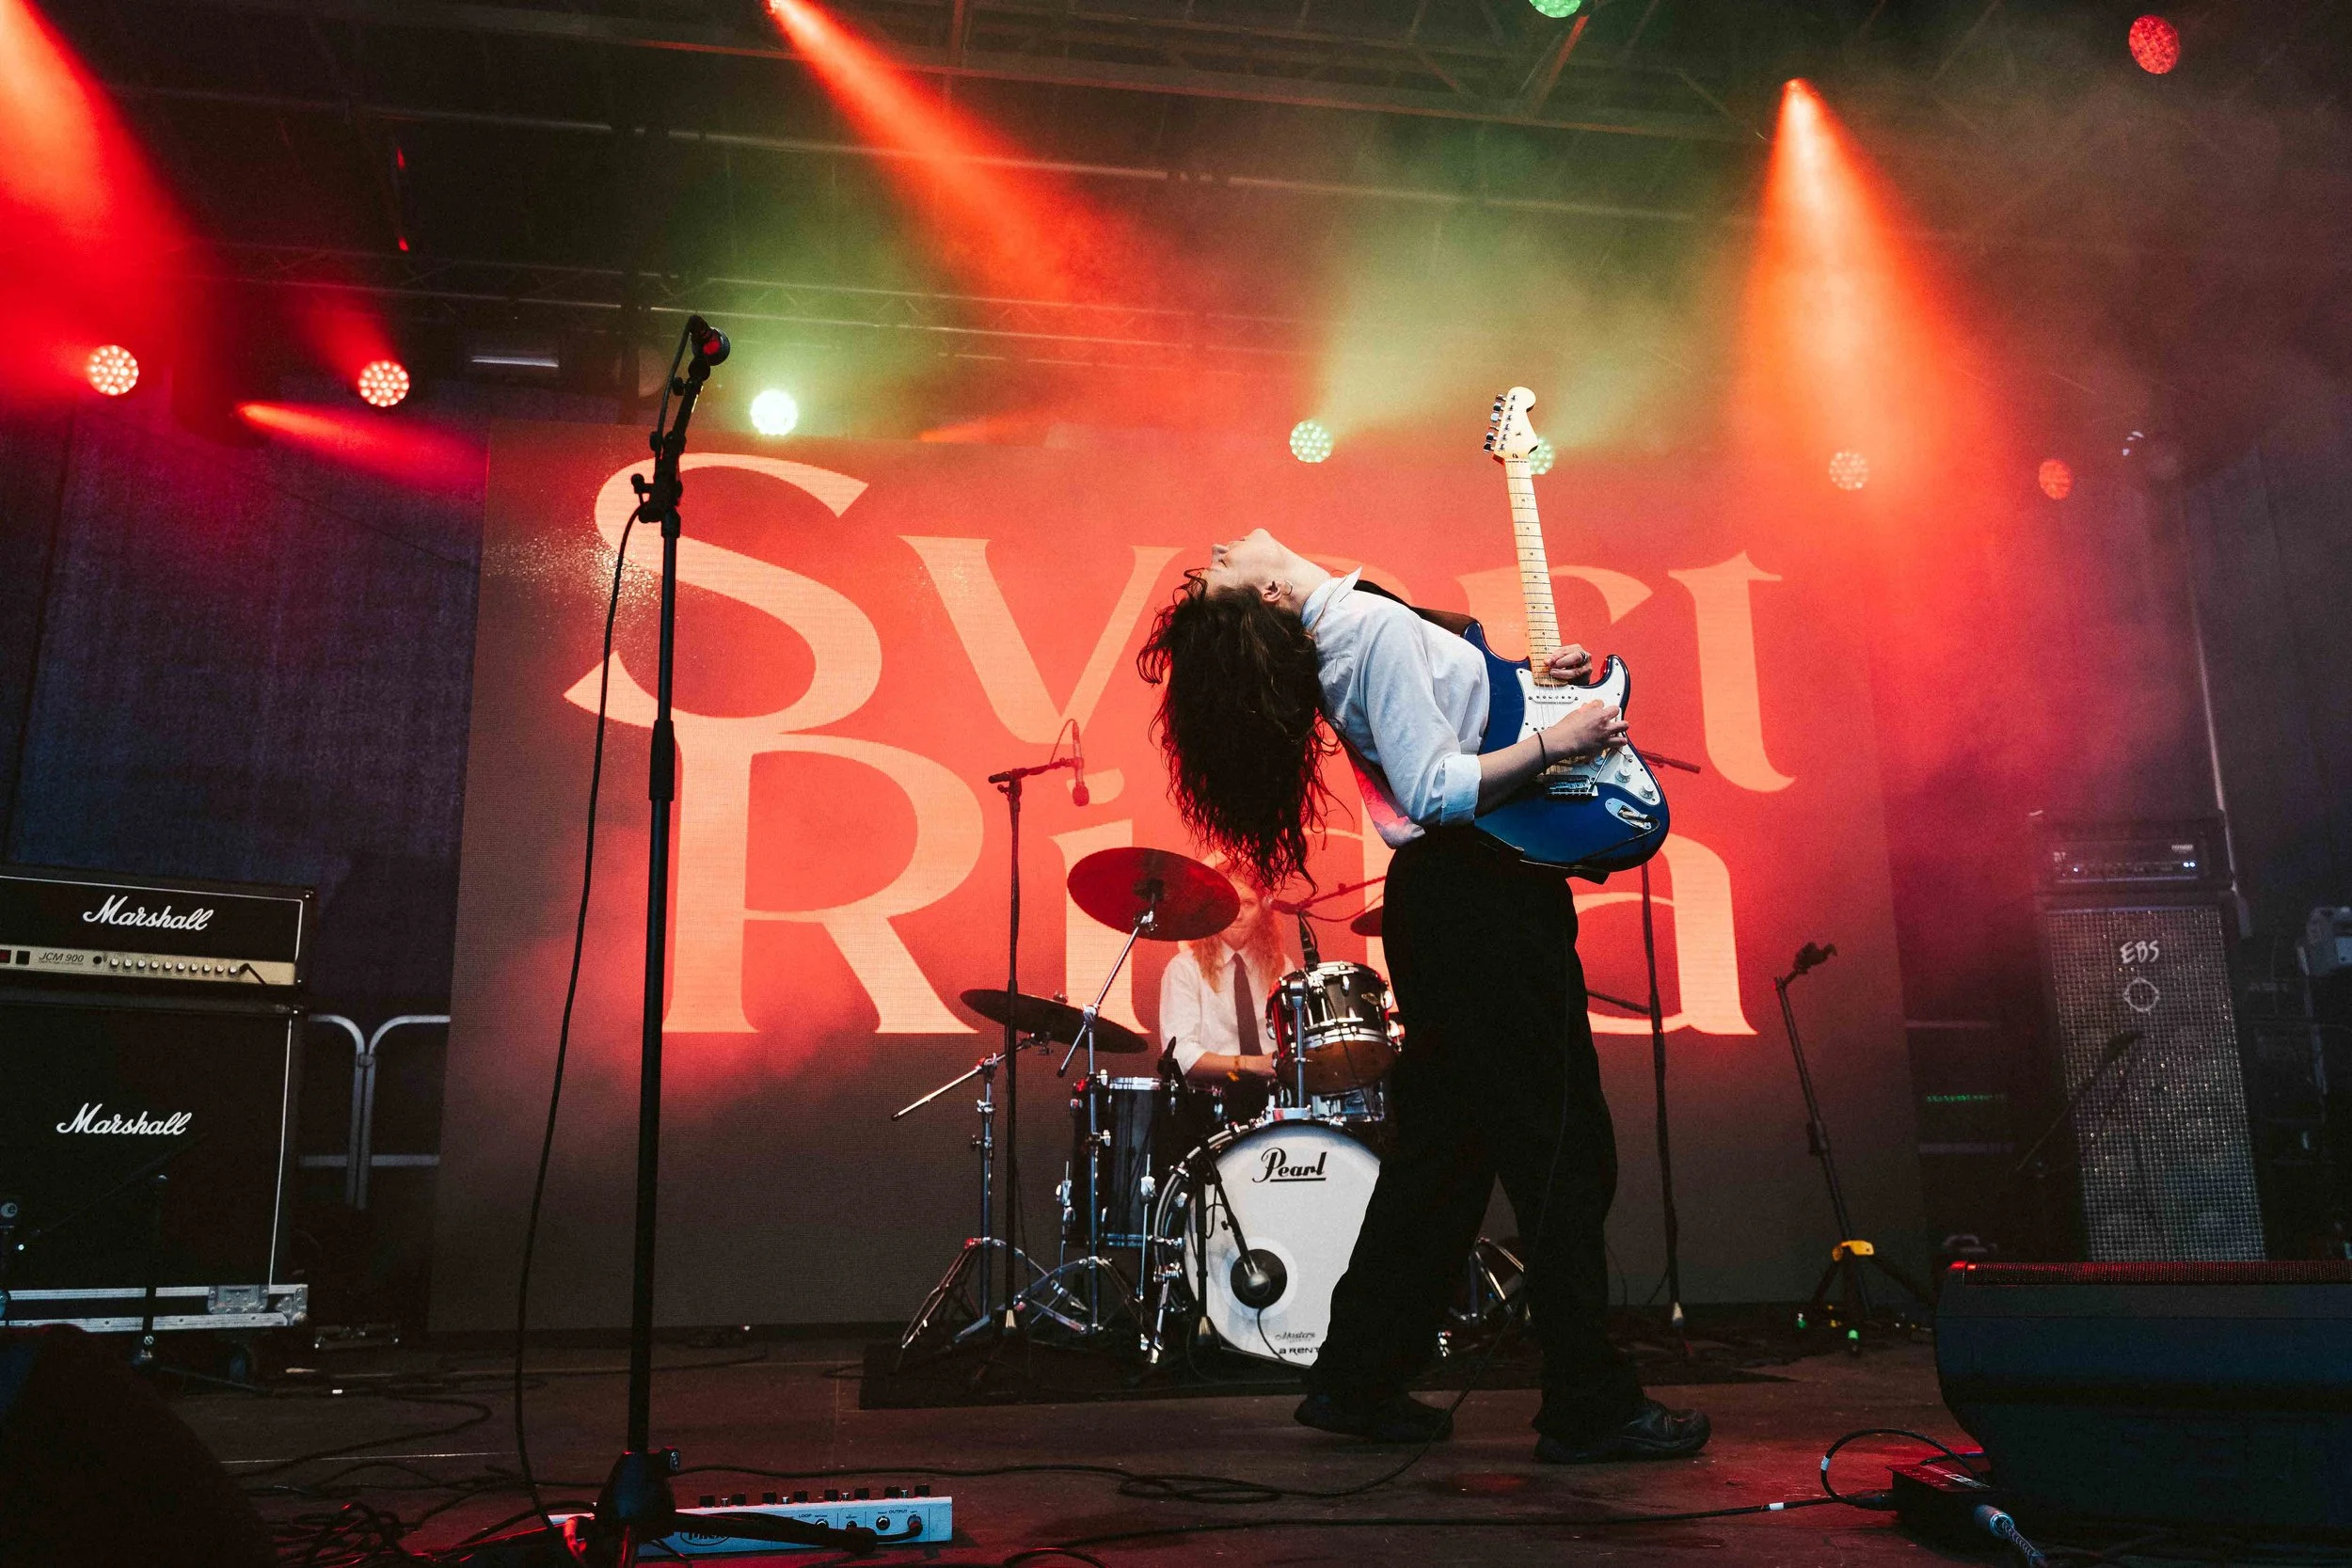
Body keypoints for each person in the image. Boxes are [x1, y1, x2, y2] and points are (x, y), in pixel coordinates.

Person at [1136, 529, 1708, 1465]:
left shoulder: (1362, 626)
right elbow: (1437, 789)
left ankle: (1356, 1382)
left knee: (1442, 1160)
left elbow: (1451, 734)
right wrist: (1560, 737)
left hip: (1457, 906)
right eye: (1218, 572)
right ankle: (1587, 1404)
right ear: (1272, 598)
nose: (1219, 549)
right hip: (1482, 899)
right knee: (1561, 1144)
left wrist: (1530, 684)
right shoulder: (1362, 628)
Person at [1158, 874, 1289, 1113]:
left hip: (1275, 1102)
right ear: (1212, 909)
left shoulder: (1282, 967)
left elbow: (1296, 1046)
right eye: (1230, 902)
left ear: (1263, 910)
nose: (1238, 914)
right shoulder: (1185, 967)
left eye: (1248, 904)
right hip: (1209, 1105)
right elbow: (1181, 1055)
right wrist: (1250, 1064)